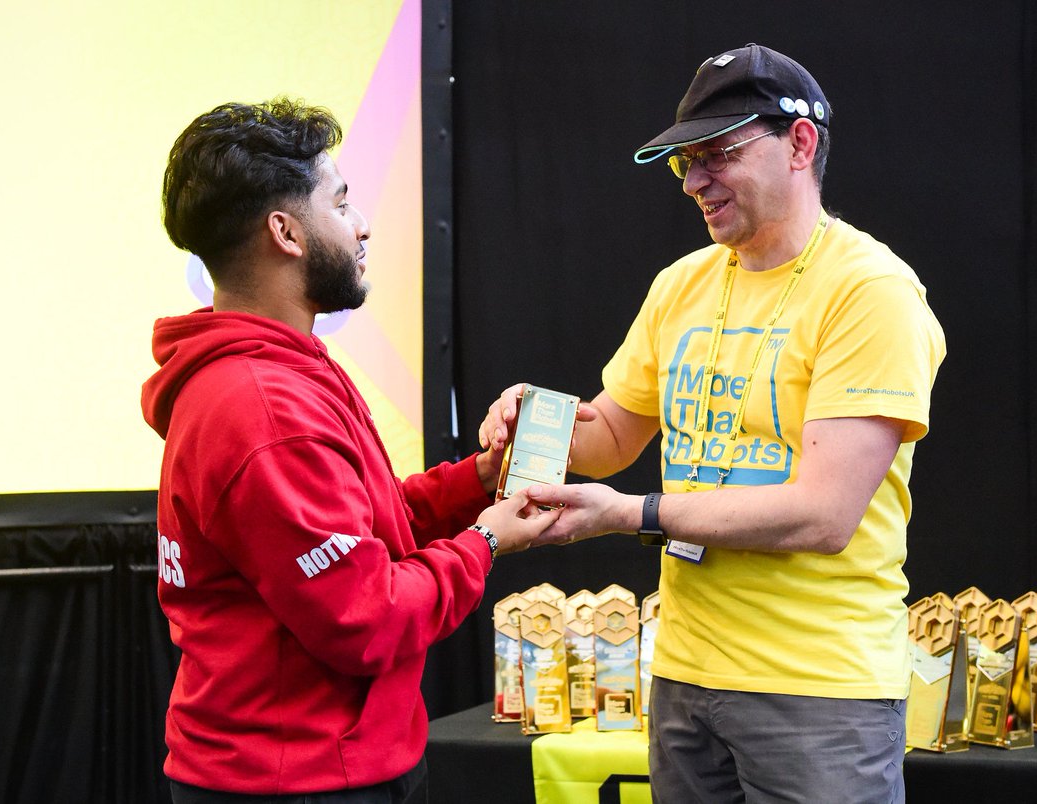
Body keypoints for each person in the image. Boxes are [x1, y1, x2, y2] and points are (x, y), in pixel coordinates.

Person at [480, 44, 946, 802]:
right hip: (684, 678)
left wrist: (631, 516)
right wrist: (540, 417)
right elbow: (610, 436)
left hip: (818, 689)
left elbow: (823, 515)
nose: (695, 180)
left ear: (800, 144)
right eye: (683, 162)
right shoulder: (682, 284)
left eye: (718, 153)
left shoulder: (871, 292)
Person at [141, 98, 558, 803]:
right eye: (340, 203)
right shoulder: (264, 407)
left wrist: (480, 480)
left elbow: (370, 528)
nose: (362, 224)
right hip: (299, 782)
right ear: (286, 231)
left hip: (326, 766)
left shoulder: (285, 368)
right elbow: (366, 618)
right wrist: (486, 542)